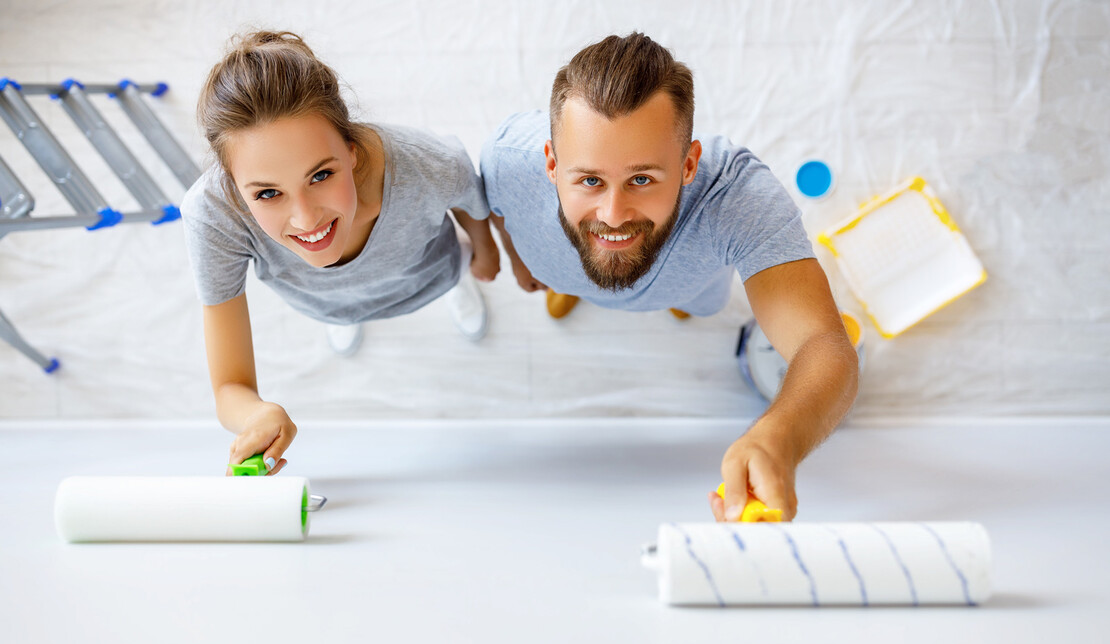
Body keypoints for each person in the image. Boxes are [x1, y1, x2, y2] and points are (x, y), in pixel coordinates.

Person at [480, 33, 858, 521]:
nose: (613, 215)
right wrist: (518, 258)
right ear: (551, 163)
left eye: (641, 180)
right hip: (559, 273)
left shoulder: (739, 198)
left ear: (688, 164)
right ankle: (573, 286)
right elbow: (496, 211)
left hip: (693, 288)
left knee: (696, 300)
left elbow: (824, 344)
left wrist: (778, 436)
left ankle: (675, 299)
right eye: (590, 181)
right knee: (577, 271)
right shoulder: (506, 160)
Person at [182, 31, 500, 475]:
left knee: (455, 272)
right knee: (342, 306)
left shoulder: (429, 164)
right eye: (268, 193)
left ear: (351, 152)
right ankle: (346, 315)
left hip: (428, 272)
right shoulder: (212, 214)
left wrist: (484, 252)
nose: (306, 219)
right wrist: (256, 414)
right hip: (322, 301)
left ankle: (456, 285)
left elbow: (471, 205)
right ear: (234, 187)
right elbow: (230, 386)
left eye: (320, 175)